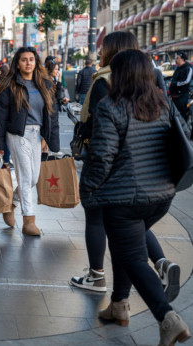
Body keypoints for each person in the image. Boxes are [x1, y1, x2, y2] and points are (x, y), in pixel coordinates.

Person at [80, 49, 191, 345]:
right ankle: (119, 304)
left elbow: (102, 156)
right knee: (125, 248)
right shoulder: (163, 102)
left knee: (132, 257)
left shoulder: (110, 106)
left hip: (124, 199)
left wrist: (88, 190)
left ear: (120, 75)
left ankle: (167, 318)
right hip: (162, 196)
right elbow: (184, 135)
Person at [70, 32, 180, 303]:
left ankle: (97, 275)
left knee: (99, 219)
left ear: (112, 51)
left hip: (114, 168)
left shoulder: (104, 81)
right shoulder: (152, 77)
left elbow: (101, 134)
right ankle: (157, 267)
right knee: (133, 225)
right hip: (151, 172)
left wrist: (89, 187)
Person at [0, 47, 59, 235]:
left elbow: (52, 114)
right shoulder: (9, 85)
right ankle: (29, 220)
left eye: (31, 59)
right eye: (23, 60)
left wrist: (49, 138)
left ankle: (11, 203)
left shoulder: (44, 84)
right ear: (17, 63)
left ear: (36, 62)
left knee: (33, 178)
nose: (28, 63)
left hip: (37, 134)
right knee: (26, 176)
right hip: (17, 134)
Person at [169, 52, 192, 122]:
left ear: (182, 59)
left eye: (177, 58)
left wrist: (173, 84)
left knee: (181, 115)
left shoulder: (187, 68)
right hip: (174, 97)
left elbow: (185, 81)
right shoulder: (178, 68)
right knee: (174, 115)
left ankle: (183, 131)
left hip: (181, 97)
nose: (176, 59)